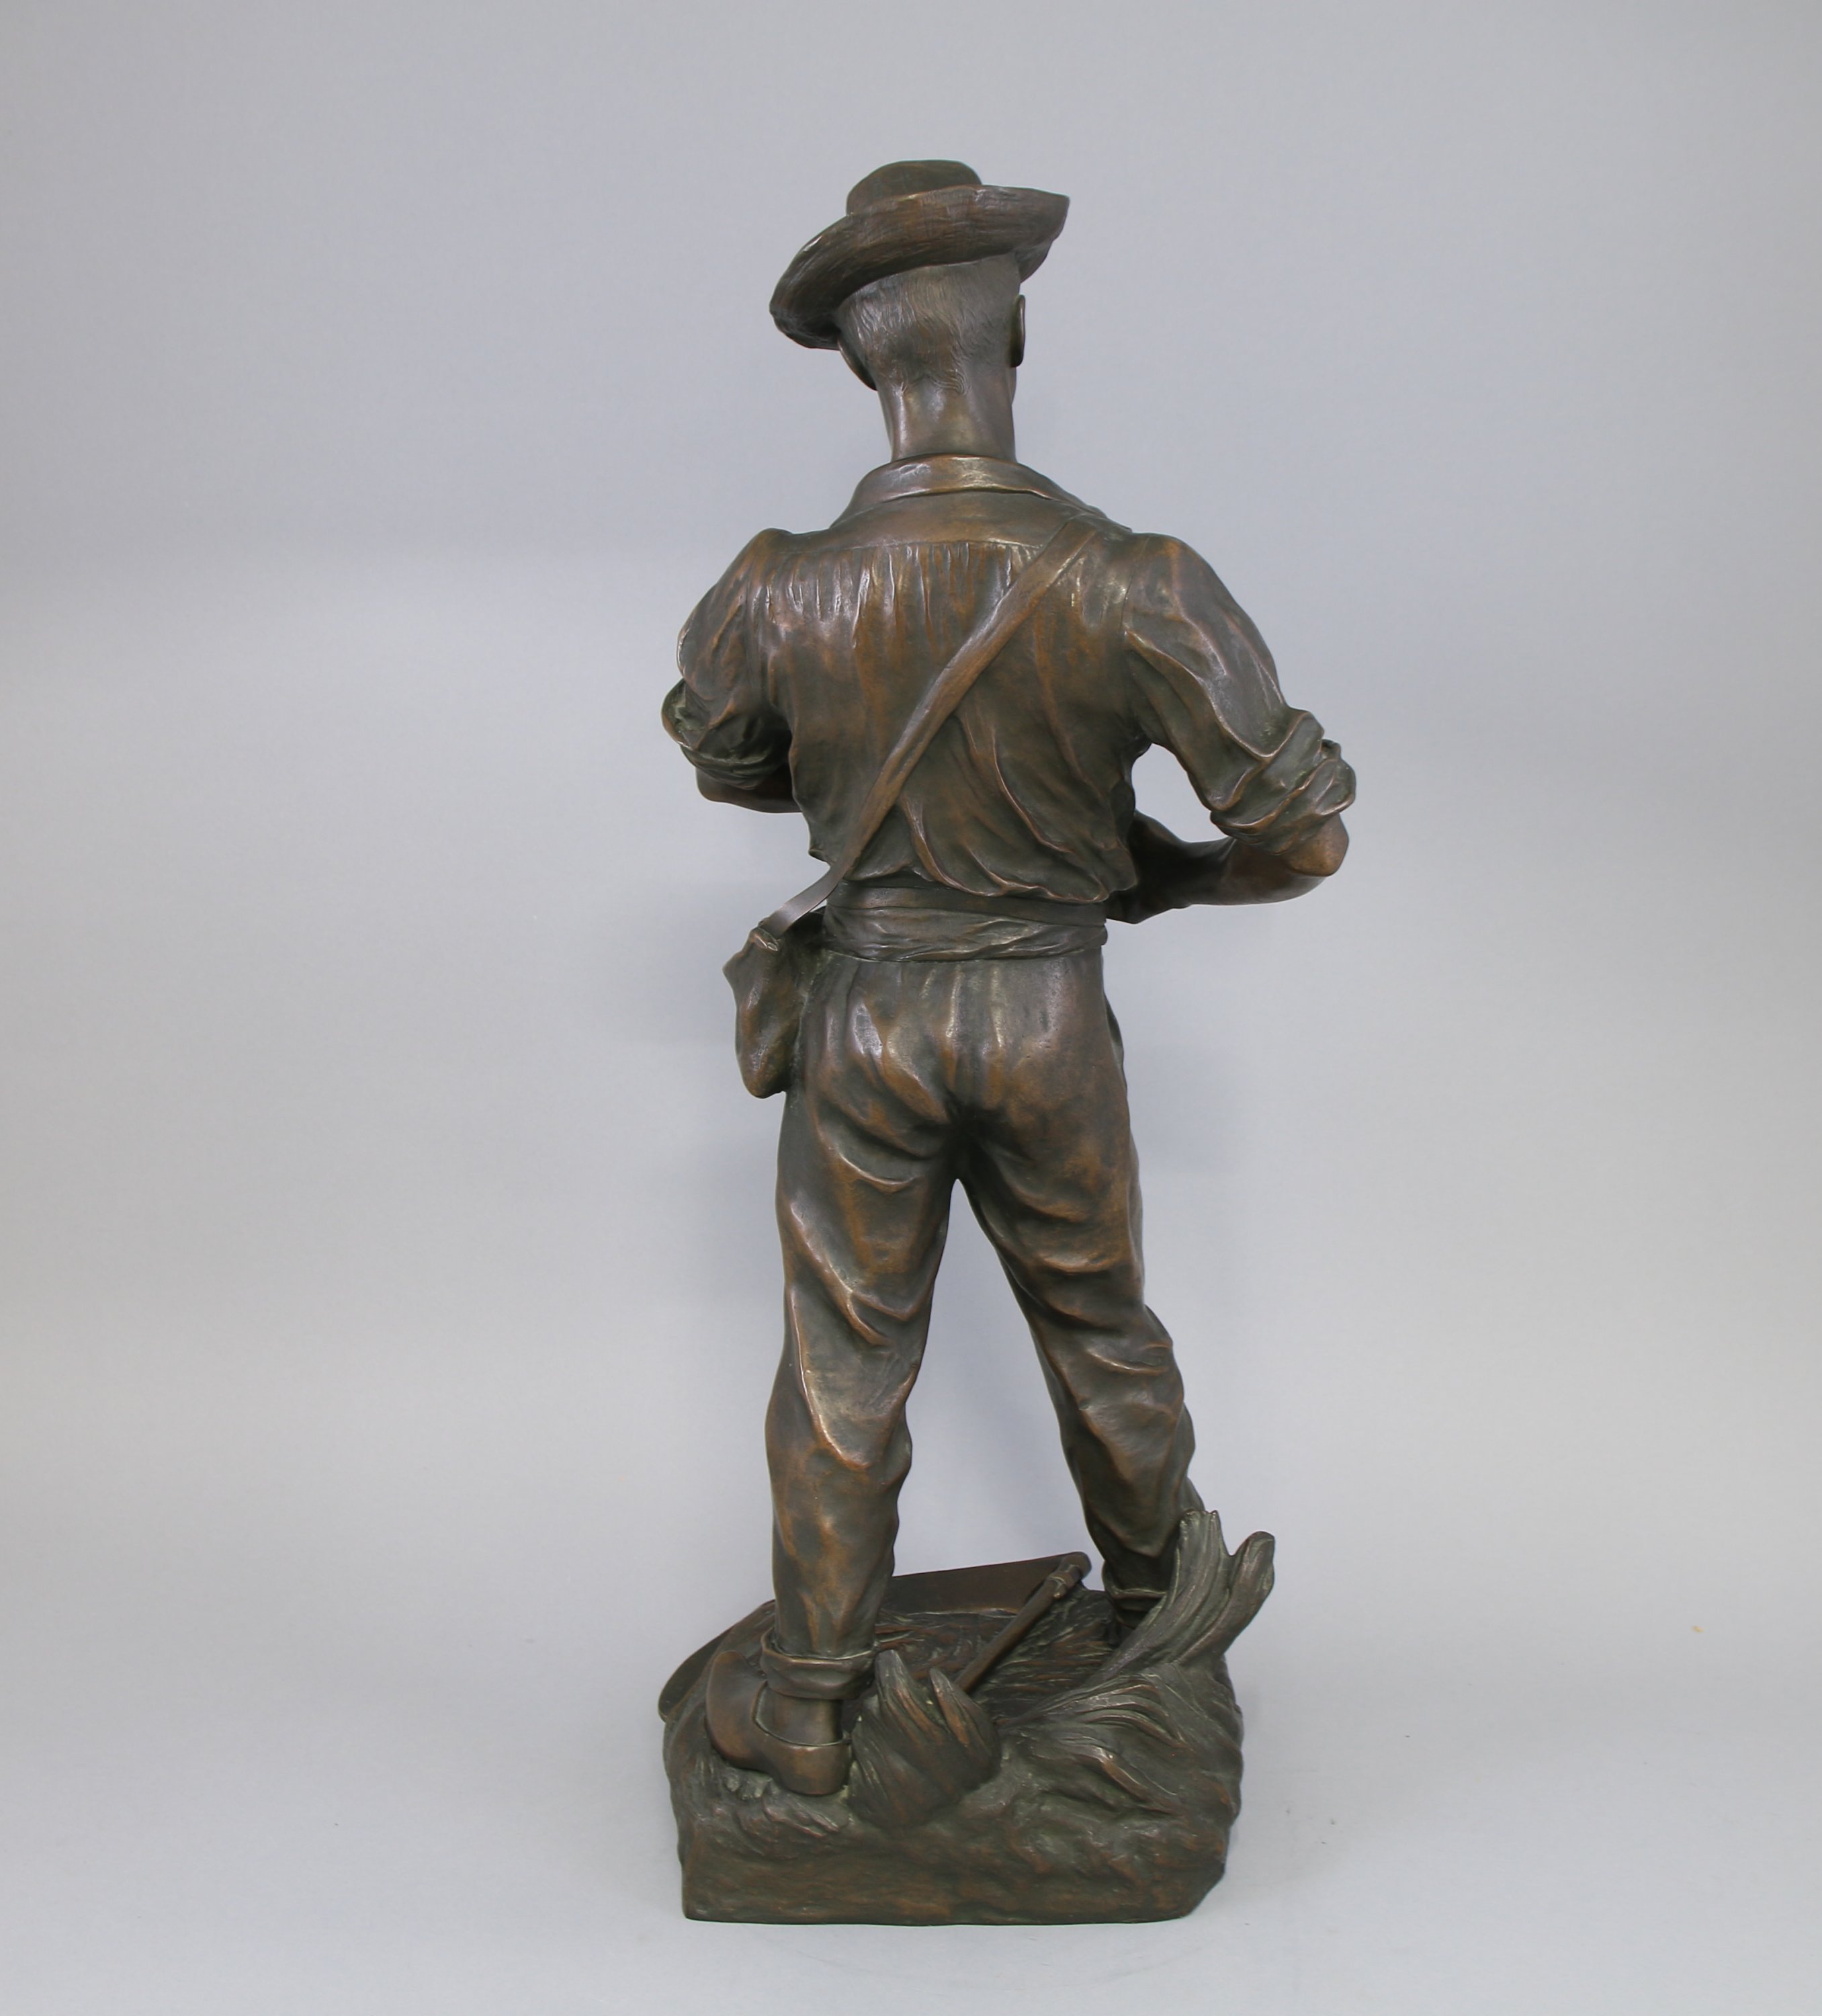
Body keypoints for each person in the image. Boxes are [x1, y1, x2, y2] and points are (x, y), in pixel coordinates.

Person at [662, 162, 1354, 1794]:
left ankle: (810, 1702)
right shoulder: (1139, 582)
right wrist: (1156, 876)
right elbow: (1302, 838)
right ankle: (1157, 1619)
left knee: (842, 1363)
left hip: (867, 1013)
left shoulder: (774, 585)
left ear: (862, 363)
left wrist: (865, 778)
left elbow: (731, 761)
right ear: (1015, 338)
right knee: (1102, 1326)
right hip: (1046, 1008)